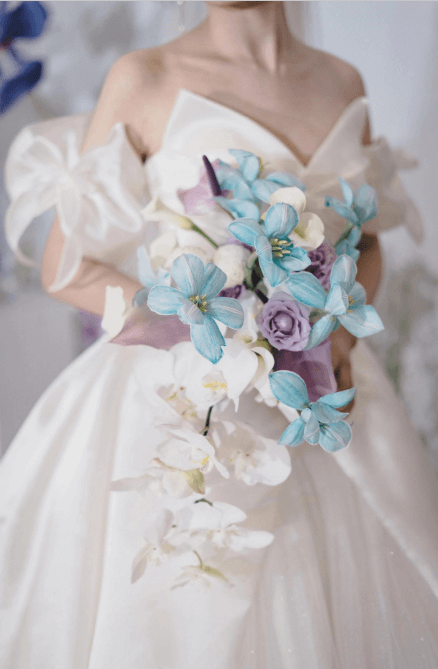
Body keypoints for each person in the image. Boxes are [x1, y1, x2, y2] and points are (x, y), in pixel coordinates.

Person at [1, 2, 438, 667]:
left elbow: (367, 242)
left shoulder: (342, 80)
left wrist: (339, 342)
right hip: (189, 396)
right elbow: (66, 264)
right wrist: (202, 325)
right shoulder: (144, 77)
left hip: (319, 393)